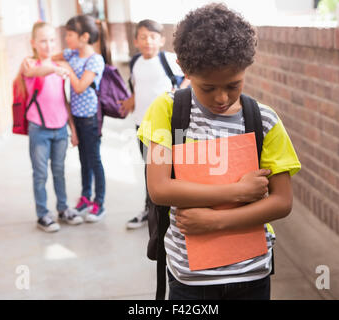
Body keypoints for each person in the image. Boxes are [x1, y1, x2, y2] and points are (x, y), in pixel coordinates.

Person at [137, 3, 301, 300]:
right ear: (184, 70)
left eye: (233, 85)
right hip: (190, 279)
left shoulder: (264, 121)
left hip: (252, 275)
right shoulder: (167, 111)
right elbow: (159, 188)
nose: (222, 97)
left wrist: (216, 221)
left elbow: (282, 201)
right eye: (208, 87)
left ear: (246, 68)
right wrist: (237, 192)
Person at [120, 19, 190, 229]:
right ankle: (150, 212)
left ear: (161, 40)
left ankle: (174, 212)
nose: (148, 41)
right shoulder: (135, 62)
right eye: (143, 37)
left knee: (172, 170)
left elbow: (189, 76)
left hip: (166, 127)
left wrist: (178, 92)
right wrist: (131, 100)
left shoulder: (167, 59)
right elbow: (137, 86)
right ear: (136, 41)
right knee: (149, 171)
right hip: (142, 126)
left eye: (153, 37)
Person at [18, 21, 84, 232]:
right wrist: (56, 68)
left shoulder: (60, 67)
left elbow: (64, 100)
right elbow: (40, 72)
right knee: (40, 174)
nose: (48, 45)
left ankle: (63, 209)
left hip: (60, 129)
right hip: (39, 128)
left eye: (52, 40)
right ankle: (43, 215)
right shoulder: (29, 64)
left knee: (59, 171)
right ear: (33, 43)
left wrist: (72, 129)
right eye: (43, 41)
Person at [52, 15, 106, 223]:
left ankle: (99, 203)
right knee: (83, 160)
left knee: (94, 160)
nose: (66, 38)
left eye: (70, 35)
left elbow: (80, 86)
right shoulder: (71, 53)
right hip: (76, 116)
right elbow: (52, 59)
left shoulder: (95, 60)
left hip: (91, 118)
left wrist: (67, 68)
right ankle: (85, 198)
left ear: (84, 37)